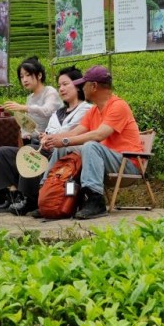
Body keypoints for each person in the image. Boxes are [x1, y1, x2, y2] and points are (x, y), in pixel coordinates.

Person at [37, 65, 144, 219]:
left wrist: (65, 140)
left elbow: (99, 135)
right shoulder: (93, 110)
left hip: (128, 163)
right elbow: (74, 133)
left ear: (94, 86)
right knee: (63, 149)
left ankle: (95, 200)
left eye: (84, 84)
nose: (81, 88)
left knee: (90, 145)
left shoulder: (118, 106)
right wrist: (53, 139)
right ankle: (46, 193)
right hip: (104, 160)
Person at [0, 66, 91, 215]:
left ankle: (30, 199)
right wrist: (44, 136)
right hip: (47, 149)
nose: (61, 89)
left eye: (65, 84)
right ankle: (11, 196)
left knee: (31, 152)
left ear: (77, 86)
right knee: (3, 153)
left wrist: (50, 137)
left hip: (66, 153)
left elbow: (71, 131)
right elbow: (50, 131)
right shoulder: (58, 113)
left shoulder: (86, 109)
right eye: (59, 85)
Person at [2, 56, 63, 143]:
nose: (24, 80)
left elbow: (47, 111)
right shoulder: (30, 98)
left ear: (39, 75)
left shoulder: (50, 92)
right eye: (22, 77)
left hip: (51, 142)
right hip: (35, 141)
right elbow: (28, 124)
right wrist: (25, 134)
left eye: (28, 75)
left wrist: (24, 108)